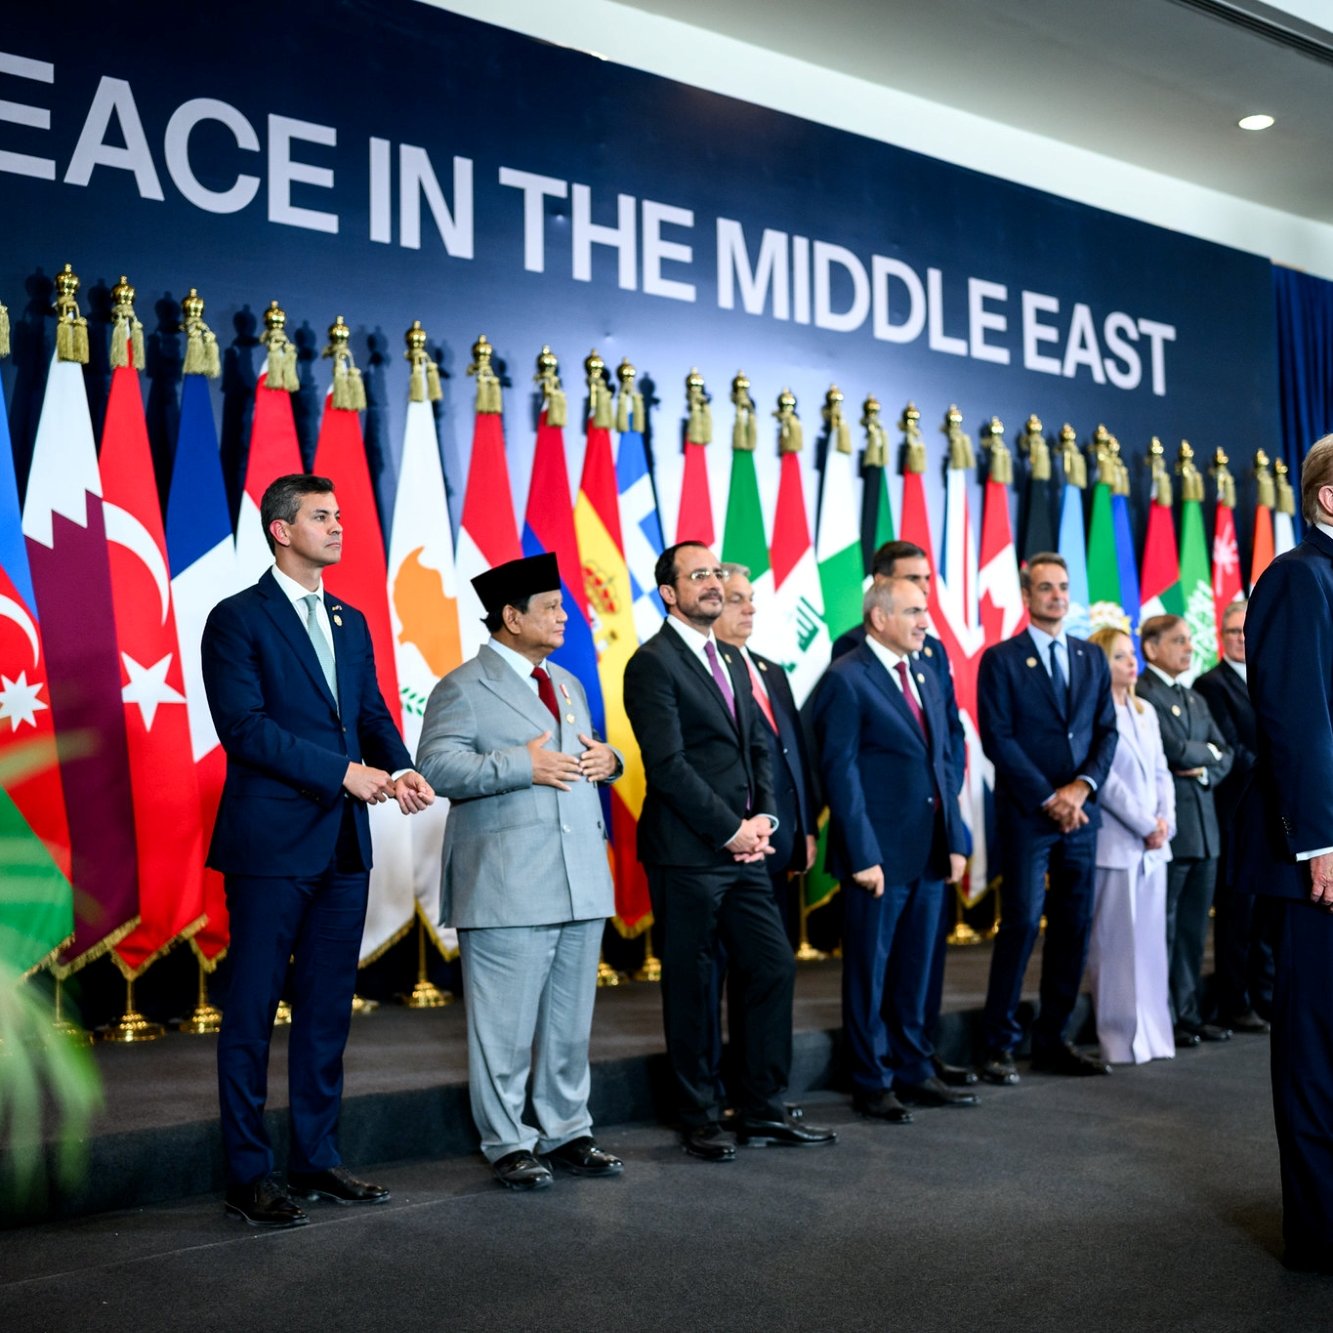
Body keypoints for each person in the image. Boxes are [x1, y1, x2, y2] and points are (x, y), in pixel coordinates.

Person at [202, 473, 435, 1229]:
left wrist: (399, 766)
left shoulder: (350, 619)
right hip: (270, 846)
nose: (337, 526)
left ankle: (316, 1157)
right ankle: (248, 1175)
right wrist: (343, 773)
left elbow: (368, 712)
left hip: (341, 846)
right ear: (281, 529)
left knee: (327, 1011)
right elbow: (245, 728)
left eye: (339, 515)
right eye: (321, 516)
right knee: (251, 1013)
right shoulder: (237, 618)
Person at [414, 552, 623, 1192]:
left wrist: (609, 762)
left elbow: (581, 756)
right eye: (551, 608)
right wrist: (518, 765)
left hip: (580, 879)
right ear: (511, 616)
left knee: (569, 1025)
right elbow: (436, 768)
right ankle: (508, 1141)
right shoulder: (461, 687)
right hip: (507, 886)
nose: (564, 617)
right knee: (502, 1031)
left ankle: (568, 1130)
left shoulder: (567, 682)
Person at [623, 541, 835, 1160]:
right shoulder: (652, 663)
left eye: (716, 572)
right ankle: (699, 1114)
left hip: (745, 851)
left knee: (771, 965)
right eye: (699, 575)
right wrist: (729, 830)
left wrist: (764, 819)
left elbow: (759, 749)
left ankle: (762, 1107)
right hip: (688, 854)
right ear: (669, 593)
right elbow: (668, 767)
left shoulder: (732, 658)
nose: (714, 582)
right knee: (692, 986)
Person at [812, 579, 974, 1122]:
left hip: (929, 851)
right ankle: (872, 1080)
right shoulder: (846, 678)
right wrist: (862, 854)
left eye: (924, 611)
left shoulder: (924, 670)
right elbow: (840, 773)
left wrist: (955, 839)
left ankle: (914, 1070)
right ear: (879, 618)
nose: (925, 621)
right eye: (913, 611)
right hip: (877, 858)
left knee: (916, 971)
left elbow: (944, 758)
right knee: (870, 974)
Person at [1237, 434, 1333, 1272]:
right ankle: (1319, 1229)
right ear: (1327, 496)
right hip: (1321, 862)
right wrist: (1321, 841)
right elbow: (1298, 719)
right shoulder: (1298, 577)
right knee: (1315, 1047)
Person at [976, 552, 1118, 1083]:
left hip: (1081, 815)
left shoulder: (1090, 656)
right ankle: (997, 1043)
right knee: (1020, 923)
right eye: (1045, 588)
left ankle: (1053, 1039)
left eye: (1062, 587)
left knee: (1073, 927)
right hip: (1028, 815)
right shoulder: (1001, 659)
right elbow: (998, 738)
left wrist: (1080, 790)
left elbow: (1107, 731)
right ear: (1026, 596)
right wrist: (1048, 798)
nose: (1057, 596)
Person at [1137, 615, 1233, 1047]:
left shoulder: (1193, 697)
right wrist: (1205, 754)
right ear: (1151, 648)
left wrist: (1205, 764)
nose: (1189, 648)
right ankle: (1166, 1015)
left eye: (1190, 640)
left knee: (1194, 933)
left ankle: (1189, 1014)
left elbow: (1225, 753)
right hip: (1172, 832)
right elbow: (1172, 750)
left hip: (1206, 832)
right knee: (1166, 928)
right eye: (1178, 640)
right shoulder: (1144, 693)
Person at [1084, 628, 1175, 1065]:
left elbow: (1162, 771)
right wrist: (1144, 823)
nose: (1131, 663)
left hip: (1154, 846)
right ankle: (1119, 1039)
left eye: (1131, 654)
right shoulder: (1094, 713)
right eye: (1119, 656)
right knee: (1115, 947)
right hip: (1117, 843)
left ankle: (1155, 1034)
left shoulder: (1145, 711)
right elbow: (1106, 782)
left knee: (1151, 946)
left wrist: (1164, 823)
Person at [713, 563, 818, 937]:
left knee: (774, 956)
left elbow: (794, 754)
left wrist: (805, 828)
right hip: (735, 842)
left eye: (751, 598)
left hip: (781, 841)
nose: (750, 608)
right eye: (736, 600)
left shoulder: (770, 670)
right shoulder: (707, 675)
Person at [1193, 600, 1271, 1033]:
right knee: (1236, 916)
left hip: (1271, 815)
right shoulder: (1211, 684)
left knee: (1265, 916)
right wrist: (1278, 767)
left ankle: (1265, 996)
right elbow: (1228, 748)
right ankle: (1234, 1002)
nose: (1241, 638)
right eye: (1233, 632)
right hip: (1233, 814)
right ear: (1220, 637)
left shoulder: (1268, 676)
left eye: (1246, 631)